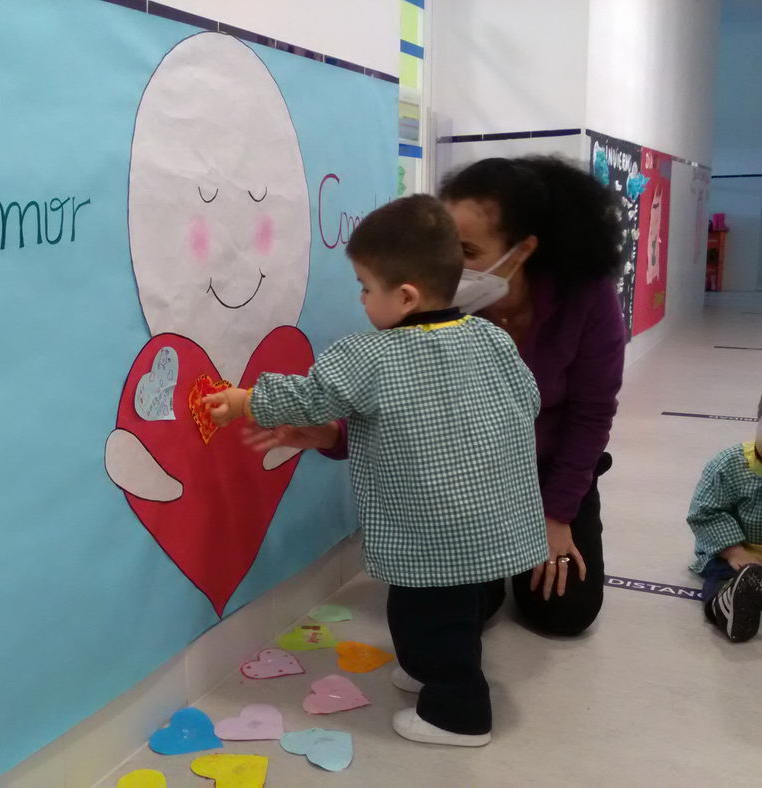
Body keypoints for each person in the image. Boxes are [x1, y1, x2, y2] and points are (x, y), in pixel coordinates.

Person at [205, 195, 547, 747]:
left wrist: (247, 401)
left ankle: (457, 714)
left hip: (431, 526)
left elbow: (314, 396)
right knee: (450, 610)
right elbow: (527, 400)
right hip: (491, 516)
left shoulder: (371, 356)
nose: (361, 299)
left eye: (366, 287)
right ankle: (426, 667)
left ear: (405, 296)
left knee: (427, 614)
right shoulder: (491, 337)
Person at [251, 156, 626, 638]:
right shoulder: (436, 302)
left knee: (564, 612)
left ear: (523, 249)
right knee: (462, 605)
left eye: (468, 250)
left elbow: (590, 417)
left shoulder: (587, 298)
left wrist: (555, 515)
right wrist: (331, 435)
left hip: (551, 468)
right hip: (465, 473)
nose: (450, 264)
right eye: (447, 245)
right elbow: (394, 393)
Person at [686, 394, 762, 642]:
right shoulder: (729, 464)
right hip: (731, 552)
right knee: (722, 575)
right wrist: (734, 551)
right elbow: (705, 512)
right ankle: (723, 605)